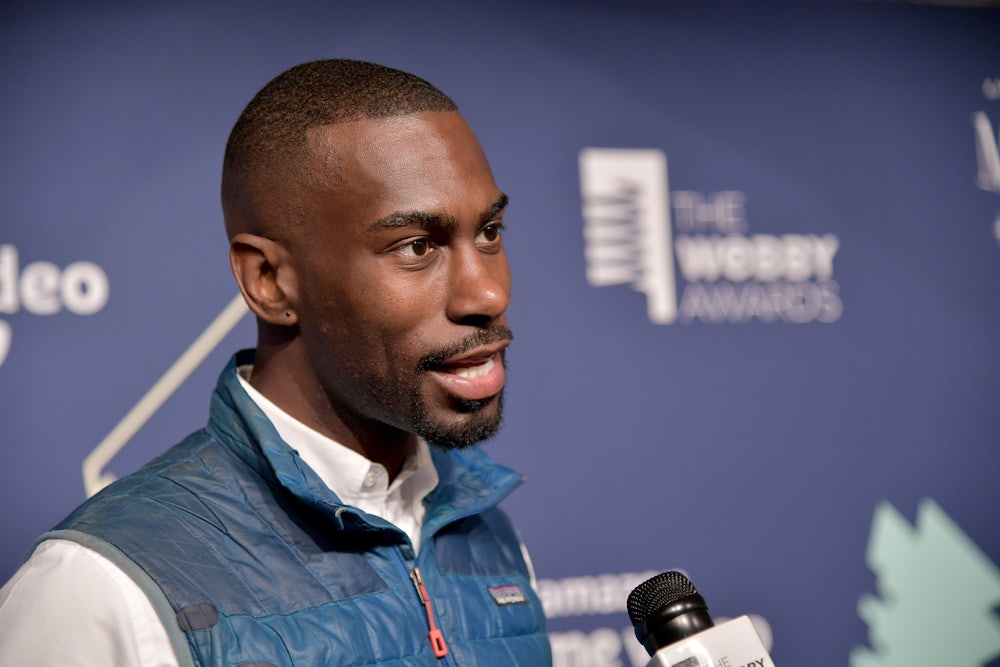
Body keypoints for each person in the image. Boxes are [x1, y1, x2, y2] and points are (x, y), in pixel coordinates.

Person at [0, 59, 552, 666]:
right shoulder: (99, 590)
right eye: (416, 247)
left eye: (490, 232)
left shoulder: (483, 530)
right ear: (269, 281)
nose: (488, 294)